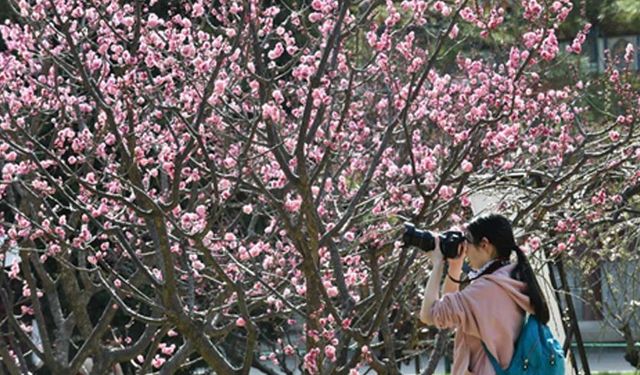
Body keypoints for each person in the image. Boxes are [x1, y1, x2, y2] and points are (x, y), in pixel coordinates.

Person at [419, 213, 550, 375]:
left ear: (484, 245)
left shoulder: (486, 290)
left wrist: (438, 264)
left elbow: (429, 315)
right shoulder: (511, 280)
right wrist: (455, 267)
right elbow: (450, 316)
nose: (465, 250)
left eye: (468, 241)